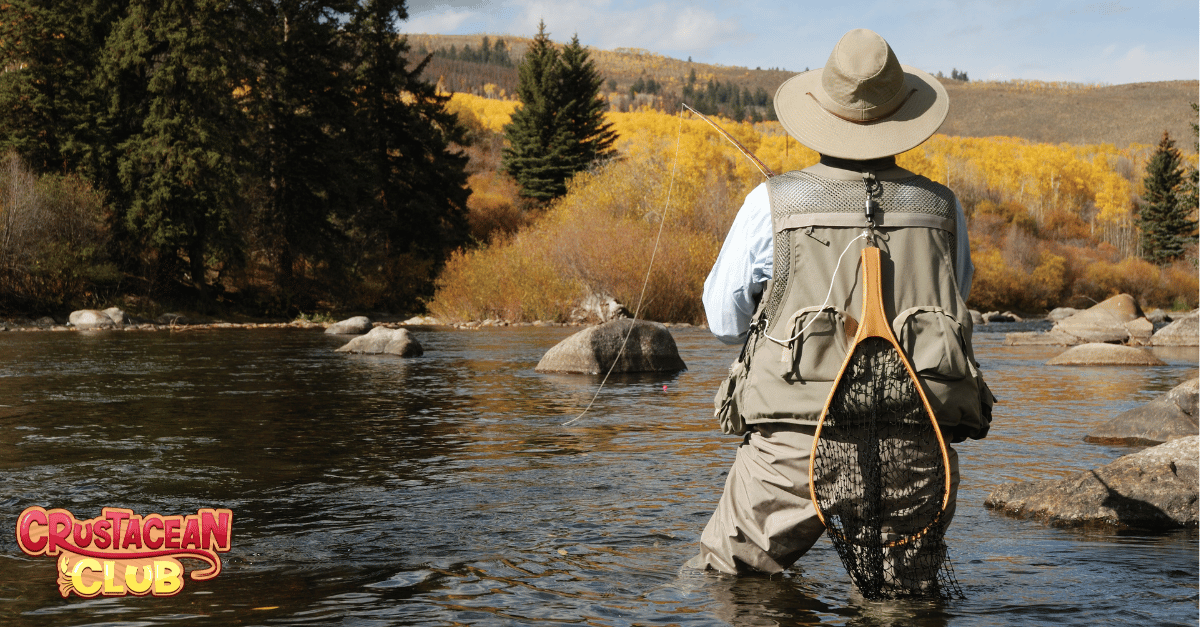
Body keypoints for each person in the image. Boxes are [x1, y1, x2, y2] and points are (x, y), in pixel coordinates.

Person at [687, 28, 993, 581]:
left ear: (822, 113)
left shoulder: (770, 203)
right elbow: (955, 300)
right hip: (914, 441)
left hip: (791, 446)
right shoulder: (943, 207)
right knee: (901, 609)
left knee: (734, 584)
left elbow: (723, 322)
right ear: (904, 119)